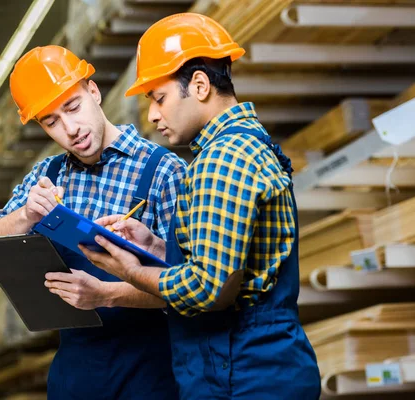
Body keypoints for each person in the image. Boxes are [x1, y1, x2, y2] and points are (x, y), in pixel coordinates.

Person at [78, 13, 321, 400]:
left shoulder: (222, 160)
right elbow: (230, 259)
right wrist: (155, 247)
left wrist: (128, 271)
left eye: (159, 98)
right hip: (260, 366)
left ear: (201, 85)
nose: (153, 115)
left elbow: (209, 288)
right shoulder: (247, 144)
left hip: (241, 374)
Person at [0, 45, 187, 400]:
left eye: (73, 107)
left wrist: (105, 295)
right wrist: (27, 214)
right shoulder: (48, 175)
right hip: (76, 376)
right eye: (51, 121)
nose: (70, 129)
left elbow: (188, 288)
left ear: (94, 91)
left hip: (151, 374)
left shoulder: (163, 172)